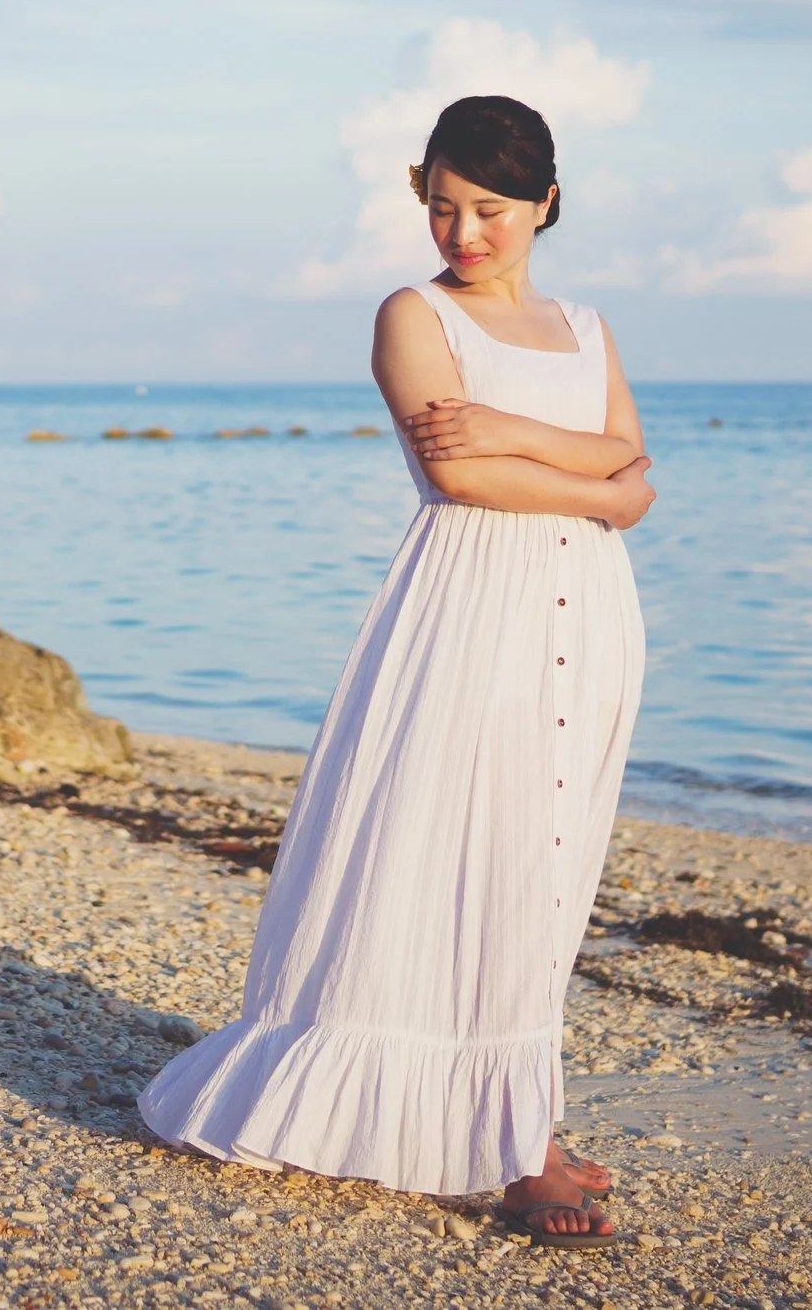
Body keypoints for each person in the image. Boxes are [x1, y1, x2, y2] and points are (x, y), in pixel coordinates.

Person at [137, 94, 654, 1247]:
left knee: (553, 866)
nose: (465, 233)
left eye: (492, 210)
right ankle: (510, 1155)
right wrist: (596, 469)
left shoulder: (587, 325)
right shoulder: (410, 314)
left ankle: (521, 1120)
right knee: (456, 851)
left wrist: (536, 442)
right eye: (443, 206)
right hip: (469, 609)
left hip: (591, 622)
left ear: (546, 205)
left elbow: (639, 473)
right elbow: (465, 478)